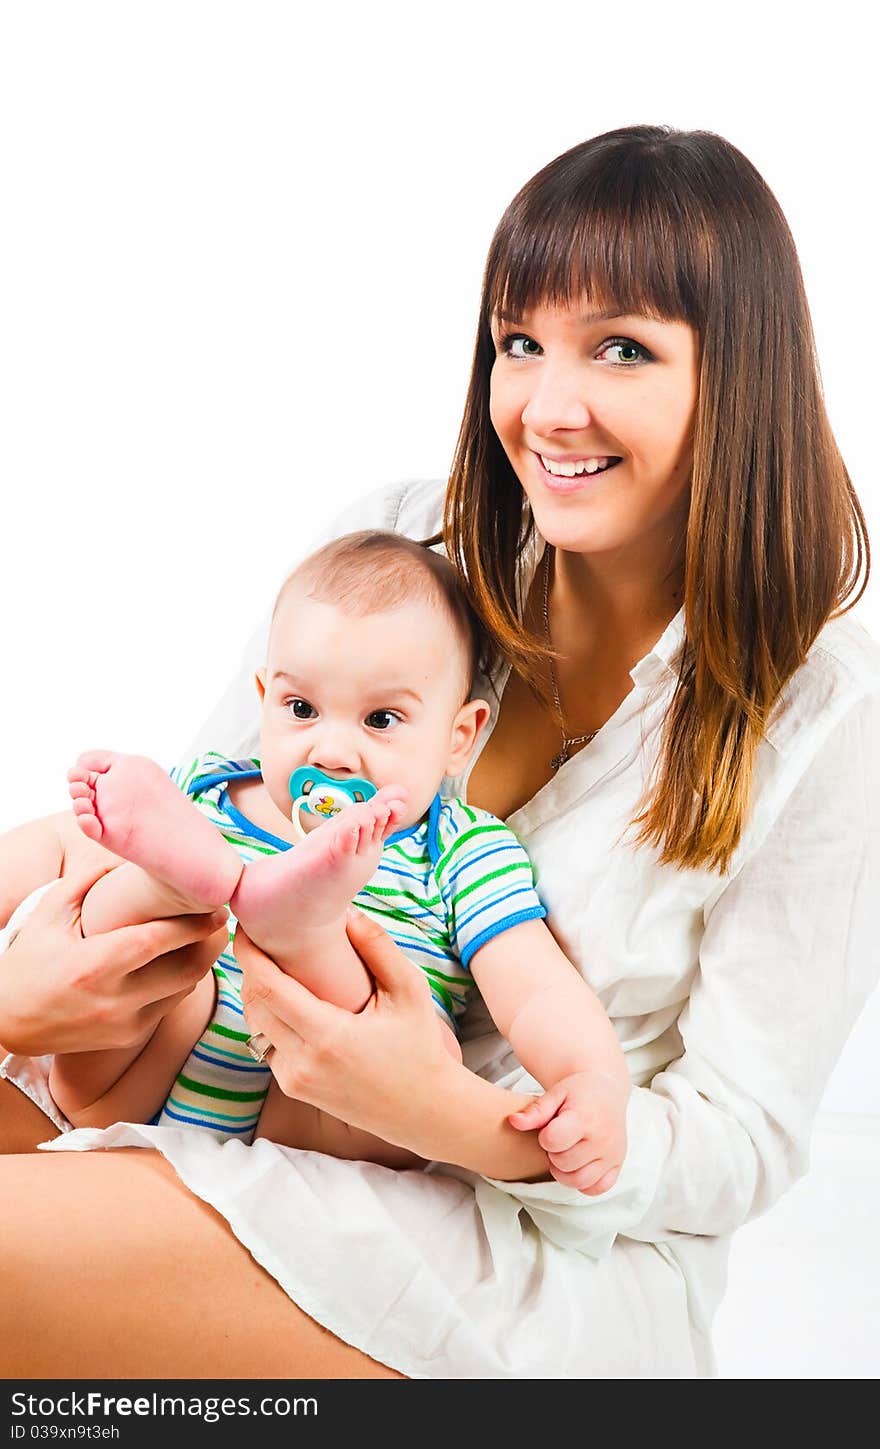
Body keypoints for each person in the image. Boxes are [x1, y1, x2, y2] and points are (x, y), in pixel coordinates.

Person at [1, 123, 878, 1380]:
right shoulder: (409, 538)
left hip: (517, 1245)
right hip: (218, 1095)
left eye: (620, 348)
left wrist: (458, 1118)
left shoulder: (828, 707)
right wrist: (25, 995)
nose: (545, 405)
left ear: (737, 376)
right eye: (519, 342)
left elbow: (736, 1141)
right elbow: (213, 818)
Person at [14, 531, 628, 1187]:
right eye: (302, 708)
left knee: (393, 1044)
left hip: (312, 1127)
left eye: (382, 719)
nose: (331, 751)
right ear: (265, 697)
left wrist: (591, 1081)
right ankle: (168, 887)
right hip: (129, 1088)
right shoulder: (209, 794)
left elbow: (535, 990)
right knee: (150, 945)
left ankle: (306, 931)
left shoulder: (461, 850)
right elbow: (53, 849)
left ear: (459, 735)